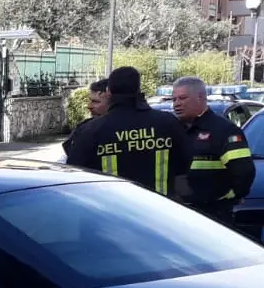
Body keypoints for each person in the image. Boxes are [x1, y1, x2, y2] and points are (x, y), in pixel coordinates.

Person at [65, 66, 192, 198]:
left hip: (113, 209)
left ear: (108, 92)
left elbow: (75, 176)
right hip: (161, 207)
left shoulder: (91, 130)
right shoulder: (168, 123)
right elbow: (185, 165)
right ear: (138, 89)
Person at [170, 76, 256, 225]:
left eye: (182, 98)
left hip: (213, 214)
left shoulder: (223, 130)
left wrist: (227, 198)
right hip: (178, 213)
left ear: (201, 97)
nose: (177, 104)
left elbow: (244, 172)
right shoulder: (175, 129)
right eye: (174, 99)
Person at [61, 79, 111, 157]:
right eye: (90, 101)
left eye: (96, 101)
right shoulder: (83, 128)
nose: (89, 106)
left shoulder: (125, 128)